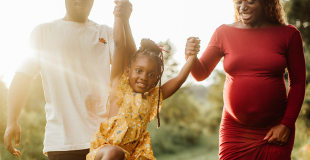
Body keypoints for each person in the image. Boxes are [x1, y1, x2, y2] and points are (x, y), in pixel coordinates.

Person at [4, 0, 135, 159]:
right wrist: (12, 120)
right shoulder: (43, 32)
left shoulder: (106, 32)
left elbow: (132, 67)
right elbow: (22, 77)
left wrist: (125, 22)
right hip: (63, 143)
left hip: (106, 140)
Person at [185, 0, 305, 159]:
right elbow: (201, 73)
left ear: (266, 3)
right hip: (234, 131)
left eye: (250, 1)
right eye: (239, 2)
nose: (243, 7)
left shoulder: (289, 34)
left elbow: (298, 83)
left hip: (274, 130)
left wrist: (286, 125)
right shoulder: (223, 33)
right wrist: (191, 57)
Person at [86, 10, 200, 159]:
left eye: (151, 74)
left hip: (133, 156)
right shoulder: (119, 86)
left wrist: (192, 56)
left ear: (157, 78)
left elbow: (179, 79)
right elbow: (121, 45)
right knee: (114, 152)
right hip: (106, 151)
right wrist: (120, 17)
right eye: (139, 71)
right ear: (128, 70)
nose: (144, 77)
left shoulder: (153, 97)